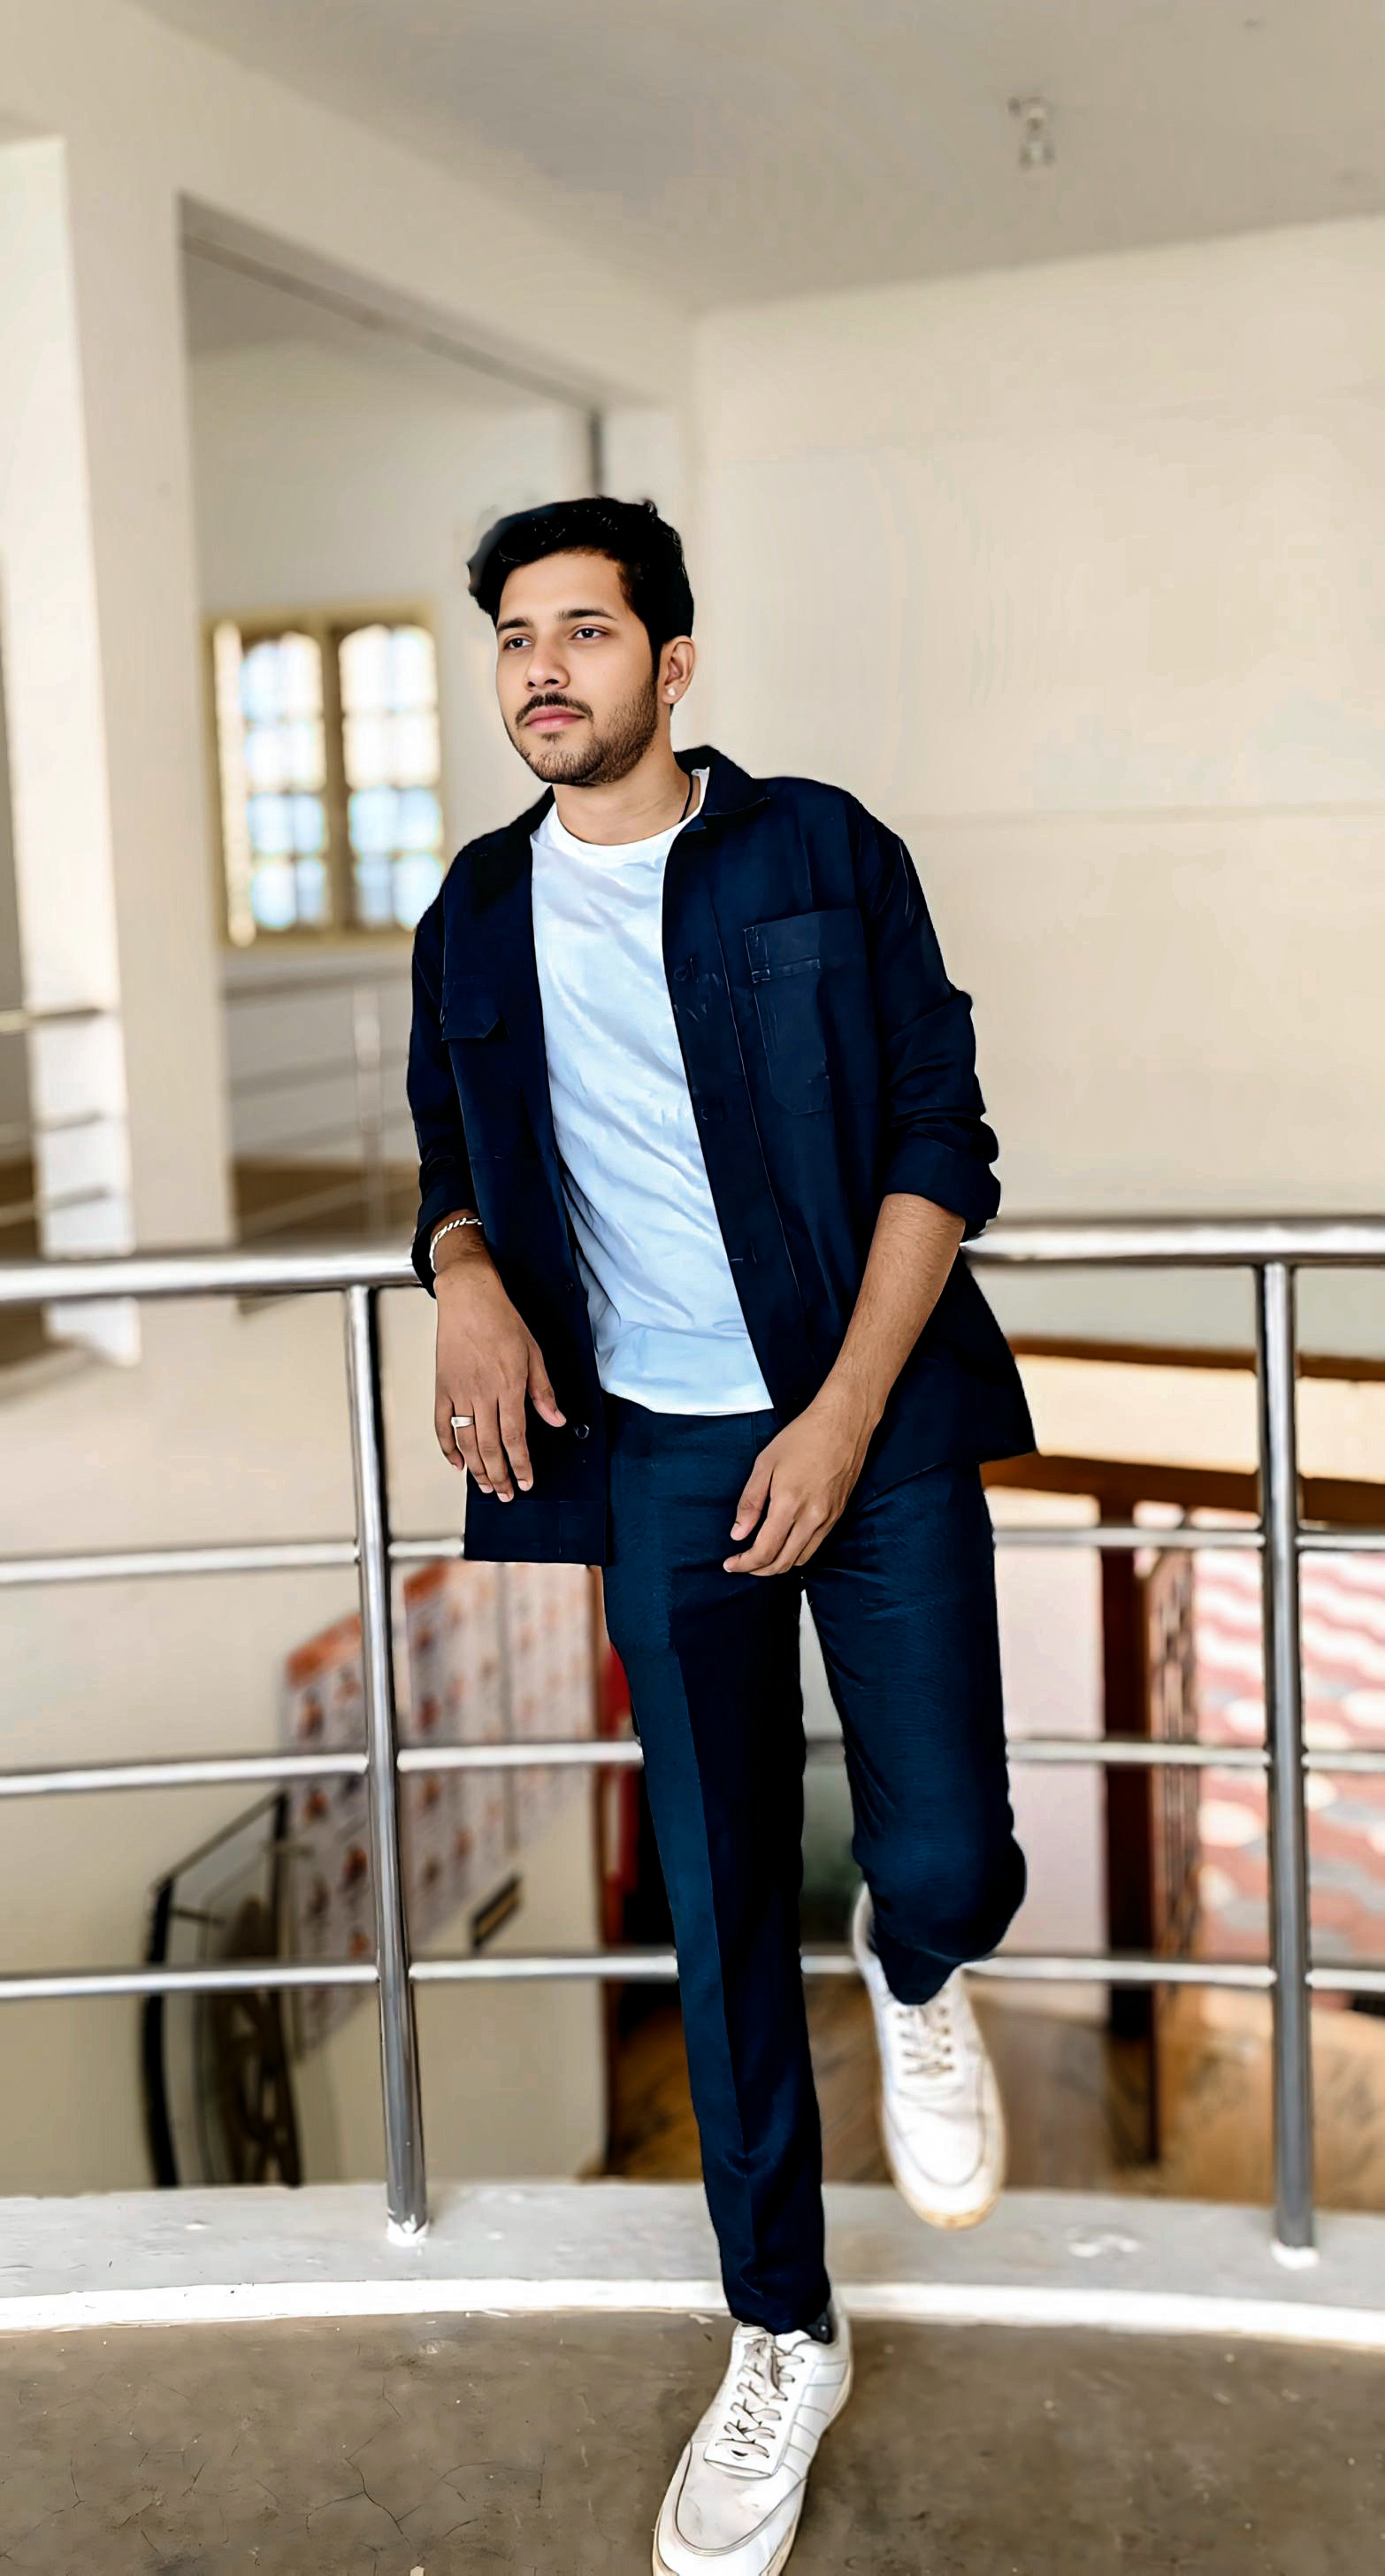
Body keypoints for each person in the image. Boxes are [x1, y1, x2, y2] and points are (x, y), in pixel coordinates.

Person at [406, 494, 1032, 2576]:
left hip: (876, 1417)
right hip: (656, 1465)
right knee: (718, 1897)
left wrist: (840, 1420)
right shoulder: (471, 914)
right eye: (517, 636)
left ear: (672, 664)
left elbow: (943, 1140)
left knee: (950, 1851)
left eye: (586, 631)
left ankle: (920, 1968)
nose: (543, 668)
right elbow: (449, 1157)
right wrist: (460, 1269)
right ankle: (781, 2329)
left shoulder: (823, 851)